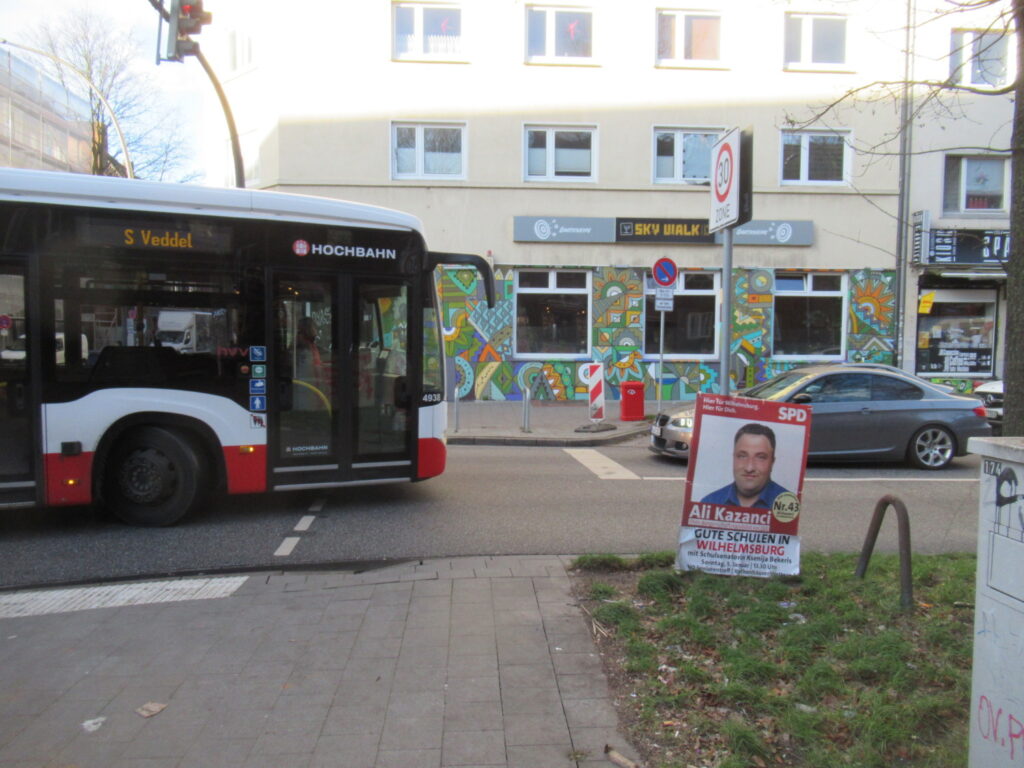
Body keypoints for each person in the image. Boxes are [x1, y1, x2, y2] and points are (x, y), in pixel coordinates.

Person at [700, 422, 791, 509]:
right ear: (733, 458)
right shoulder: (709, 503)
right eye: (742, 456)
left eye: (760, 457)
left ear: (772, 462)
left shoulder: (788, 504)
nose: (749, 468)